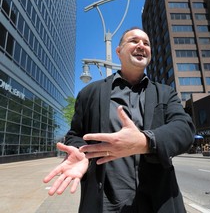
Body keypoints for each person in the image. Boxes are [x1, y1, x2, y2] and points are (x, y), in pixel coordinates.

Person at [43, 27, 195, 213]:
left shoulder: (165, 93)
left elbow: (185, 129)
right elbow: (76, 134)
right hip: (104, 204)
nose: (141, 45)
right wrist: (80, 153)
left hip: (158, 202)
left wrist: (145, 142)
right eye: (134, 41)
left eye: (146, 43)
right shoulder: (90, 93)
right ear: (118, 51)